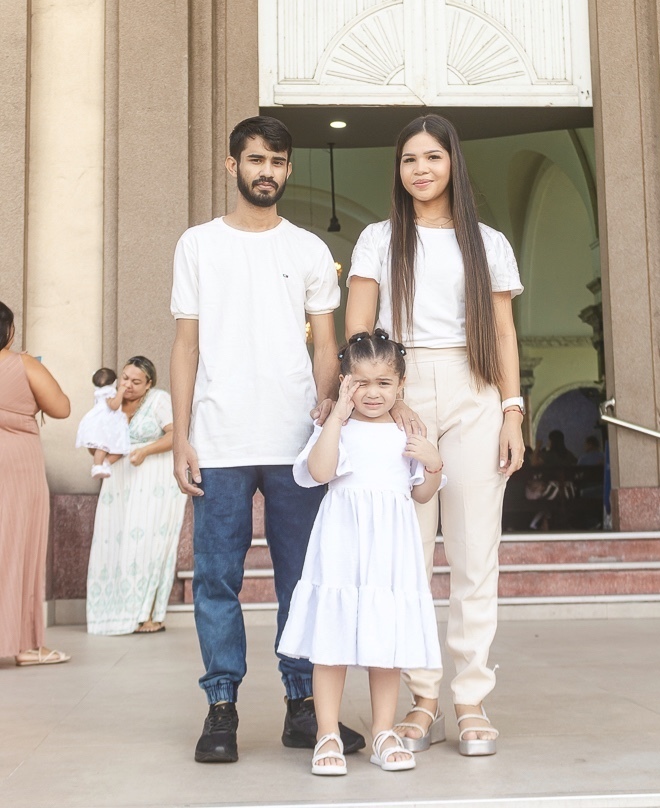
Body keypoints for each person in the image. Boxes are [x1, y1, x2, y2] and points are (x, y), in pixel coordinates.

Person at [170, 115, 364, 764]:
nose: (267, 172)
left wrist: (327, 417)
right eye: (255, 160)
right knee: (217, 580)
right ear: (233, 166)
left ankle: (301, 706)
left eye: (277, 162)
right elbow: (186, 343)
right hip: (219, 440)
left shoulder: (307, 249)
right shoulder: (198, 244)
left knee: (302, 579)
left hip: (294, 441)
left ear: (287, 168)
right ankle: (220, 707)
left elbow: (326, 342)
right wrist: (181, 436)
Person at [346, 113, 524, 757]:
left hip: (474, 386)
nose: (421, 169)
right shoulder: (376, 239)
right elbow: (359, 333)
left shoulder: (488, 242)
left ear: (453, 163)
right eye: (409, 160)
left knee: (477, 551)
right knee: (407, 558)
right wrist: (379, 406)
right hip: (401, 388)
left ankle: (470, 697)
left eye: (432, 157)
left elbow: (503, 334)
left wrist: (511, 411)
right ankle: (423, 700)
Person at [278, 330, 445, 776]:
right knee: (331, 640)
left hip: (389, 547)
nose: (373, 393)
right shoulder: (337, 425)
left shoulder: (406, 431)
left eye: (384, 383)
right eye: (361, 382)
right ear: (346, 381)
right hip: (342, 541)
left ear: (401, 386)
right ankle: (327, 732)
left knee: (384, 640)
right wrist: (335, 416)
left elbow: (424, 494)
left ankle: (383, 731)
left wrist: (434, 461)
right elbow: (319, 470)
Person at [86, 356, 185, 635]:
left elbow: (175, 434)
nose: (128, 385)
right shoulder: (110, 403)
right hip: (118, 481)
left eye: (136, 381)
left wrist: (144, 450)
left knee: (148, 545)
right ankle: (111, 613)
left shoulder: (159, 400)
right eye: (125, 378)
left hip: (154, 480)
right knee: (113, 544)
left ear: (149, 383)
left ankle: (147, 614)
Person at [0, 301, 71, 666]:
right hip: (16, 465)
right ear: (8, 330)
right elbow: (61, 407)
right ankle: (26, 645)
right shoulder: (21, 363)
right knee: (20, 547)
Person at [75, 367, 130, 478]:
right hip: (105, 424)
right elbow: (114, 406)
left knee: (117, 449)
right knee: (102, 446)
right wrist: (120, 392)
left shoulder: (99, 392)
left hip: (98, 422)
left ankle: (104, 463)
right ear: (114, 382)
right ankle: (97, 466)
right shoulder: (108, 392)